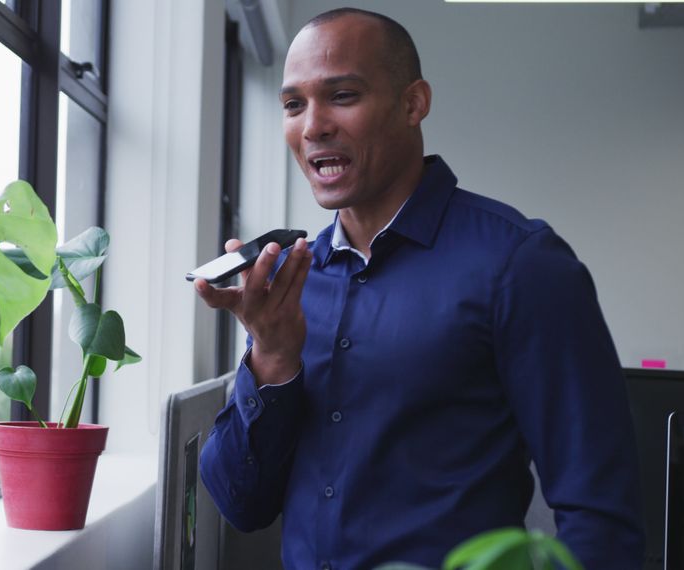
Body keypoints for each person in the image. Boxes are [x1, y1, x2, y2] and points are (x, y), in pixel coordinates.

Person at [193, 7, 645, 569]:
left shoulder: (520, 265)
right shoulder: (289, 282)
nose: (312, 126)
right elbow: (242, 505)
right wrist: (271, 356)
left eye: (343, 96)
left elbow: (602, 516)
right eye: (293, 104)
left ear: (413, 104)